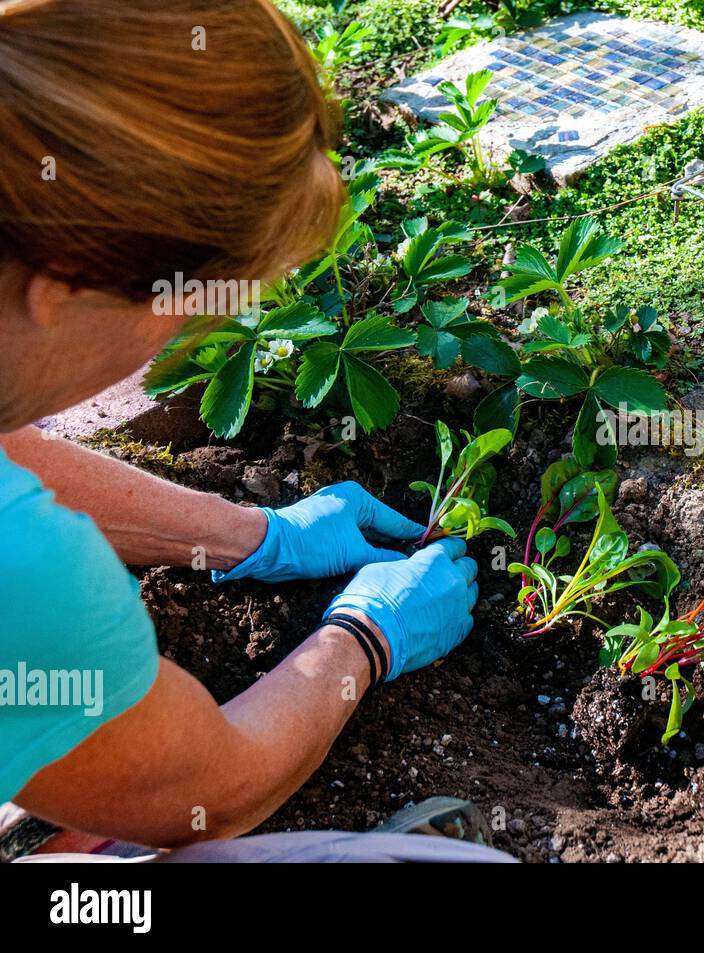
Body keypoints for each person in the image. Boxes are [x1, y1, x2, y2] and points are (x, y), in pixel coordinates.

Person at [0, 0, 508, 862]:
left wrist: (253, 535)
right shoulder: (27, 572)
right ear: (71, 280)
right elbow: (212, 789)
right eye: (182, 313)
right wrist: (364, 637)